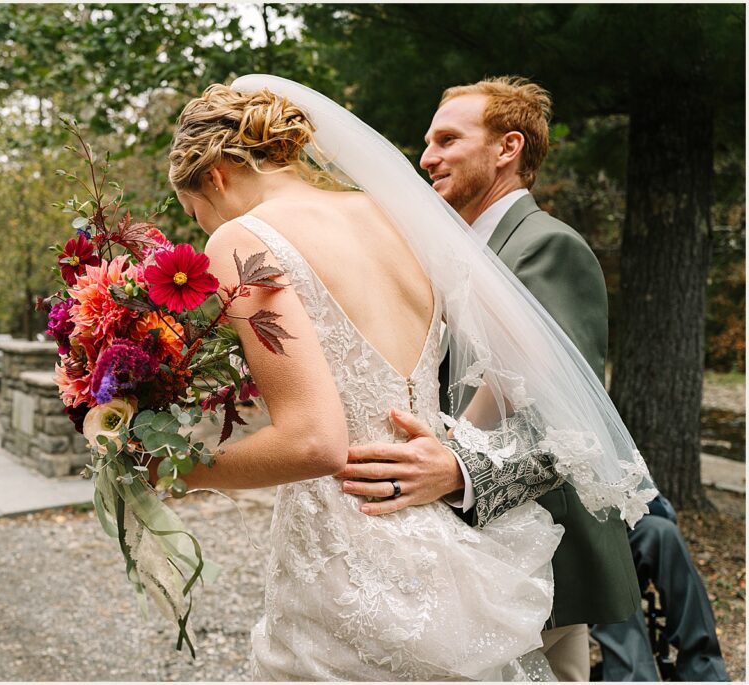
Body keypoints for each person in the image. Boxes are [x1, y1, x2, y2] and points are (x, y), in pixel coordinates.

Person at [163, 76, 655, 681]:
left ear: (214, 176)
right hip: (435, 526)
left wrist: (182, 469)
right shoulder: (393, 217)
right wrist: (451, 448)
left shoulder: (242, 239)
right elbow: (534, 352)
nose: (205, 226)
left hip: (346, 530)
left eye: (198, 212)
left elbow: (314, 442)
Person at [335, 77, 641, 681]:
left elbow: (568, 419)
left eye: (448, 139)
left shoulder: (548, 246)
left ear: (508, 148)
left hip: (541, 550)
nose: (427, 158)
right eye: (427, 143)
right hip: (465, 543)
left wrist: (458, 469)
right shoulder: (446, 251)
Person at [591, 493, 729, 681]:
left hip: (620, 529)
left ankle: (705, 672)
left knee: (662, 531)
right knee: (605, 550)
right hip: (572, 547)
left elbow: (661, 508)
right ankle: (635, 678)